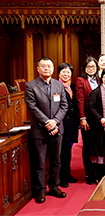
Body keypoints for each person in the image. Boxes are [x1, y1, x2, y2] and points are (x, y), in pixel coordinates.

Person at [25, 57, 68, 203]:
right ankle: (40, 190)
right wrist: (47, 122)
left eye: (49, 66)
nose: (46, 69)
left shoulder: (58, 85)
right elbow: (32, 107)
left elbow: (64, 105)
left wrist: (55, 121)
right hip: (39, 130)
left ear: (53, 68)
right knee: (40, 162)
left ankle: (54, 186)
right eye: (43, 66)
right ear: (38, 68)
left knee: (56, 160)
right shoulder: (30, 86)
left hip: (57, 128)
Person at [88, 68, 105, 180]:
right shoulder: (95, 92)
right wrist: (101, 119)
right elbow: (91, 108)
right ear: (101, 78)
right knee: (101, 148)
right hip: (99, 126)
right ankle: (100, 173)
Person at [76, 56, 99, 185]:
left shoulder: (100, 80)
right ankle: (88, 172)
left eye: (94, 67)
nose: (91, 69)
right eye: (89, 67)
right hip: (87, 118)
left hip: (98, 118)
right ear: (85, 68)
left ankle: (96, 171)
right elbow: (80, 100)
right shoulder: (81, 80)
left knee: (96, 146)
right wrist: (82, 118)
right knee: (88, 146)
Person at [58, 63, 79, 188]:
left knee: (68, 150)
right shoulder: (56, 86)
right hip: (61, 123)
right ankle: (62, 176)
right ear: (59, 73)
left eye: (68, 72)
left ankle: (68, 173)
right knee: (61, 151)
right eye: (64, 72)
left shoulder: (74, 87)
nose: (66, 74)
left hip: (72, 124)